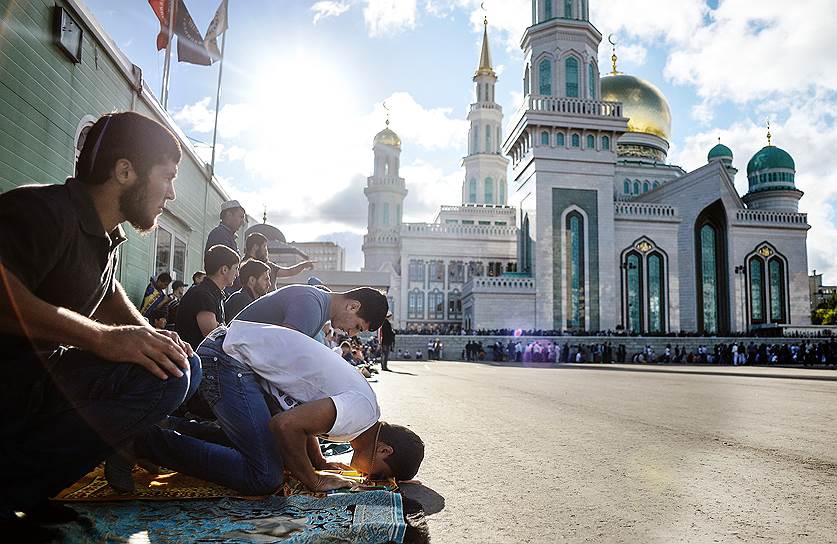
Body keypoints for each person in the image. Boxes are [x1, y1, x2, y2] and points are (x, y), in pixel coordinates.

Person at [0, 111, 198, 536]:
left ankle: (29, 489)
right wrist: (103, 339)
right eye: (166, 177)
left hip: (36, 382)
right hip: (9, 385)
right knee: (167, 377)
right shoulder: (40, 210)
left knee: (178, 364)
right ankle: (11, 485)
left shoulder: (107, 236)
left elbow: (105, 292)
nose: (172, 193)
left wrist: (146, 333)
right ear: (125, 171)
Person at [137, 322, 425, 494]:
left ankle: (167, 428)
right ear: (384, 450)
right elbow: (285, 425)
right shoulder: (360, 414)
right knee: (264, 476)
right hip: (227, 358)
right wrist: (313, 479)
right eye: (376, 474)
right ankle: (142, 442)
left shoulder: (365, 413)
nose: (367, 478)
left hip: (230, 351)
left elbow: (303, 419)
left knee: (277, 453)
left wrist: (320, 461)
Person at [233, 284, 388, 338]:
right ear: (353, 307)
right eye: (358, 327)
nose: (351, 333)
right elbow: (279, 353)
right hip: (226, 360)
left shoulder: (319, 309)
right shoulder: (311, 305)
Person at [175, 245, 240, 350]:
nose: (237, 274)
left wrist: (220, 328)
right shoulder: (203, 295)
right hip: (194, 362)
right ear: (224, 269)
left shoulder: (213, 293)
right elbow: (212, 337)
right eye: (236, 268)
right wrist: (221, 329)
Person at [243, 232, 313, 289]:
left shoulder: (269, 266)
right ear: (255, 247)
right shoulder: (243, 268)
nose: (266, 250)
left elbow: (289, 272)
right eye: (264, 246)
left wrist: (304, 265)